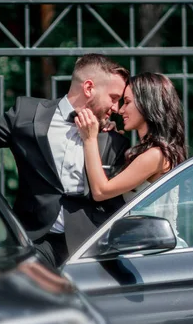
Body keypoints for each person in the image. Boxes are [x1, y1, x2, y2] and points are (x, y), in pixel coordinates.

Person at [0, 54, 131, 268]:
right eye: (113, 98)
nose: (116, 108)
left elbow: (115, 205)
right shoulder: (26, 114)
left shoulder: (113, 140)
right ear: (89, 88)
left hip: (88, 248)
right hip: (33, 241)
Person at [74, 72, 187, 237]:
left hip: (154, 251)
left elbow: (100, 191)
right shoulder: (152, 152)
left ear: (147, 104)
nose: (120, 110)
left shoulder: (155, 155)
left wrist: (89, 139)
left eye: (127, 102)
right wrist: (111, 141)